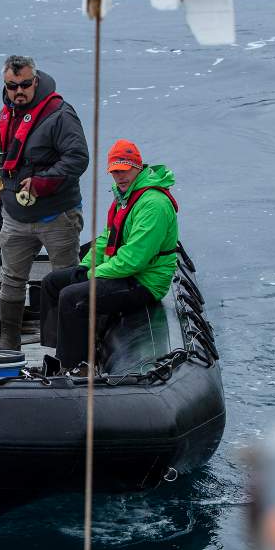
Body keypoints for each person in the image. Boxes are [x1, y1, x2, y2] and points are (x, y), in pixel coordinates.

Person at [40, 139, 179, 375]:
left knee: (72, 297)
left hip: (144, 282)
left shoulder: (153, 204)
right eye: (115, 171)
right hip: (124, 271)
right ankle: (60, 354)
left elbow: (133, 260)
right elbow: (106, 239)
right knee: (52, 283)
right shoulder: (124, 197)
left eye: (125, 170)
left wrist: (93, 274)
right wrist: (85, 267)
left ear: (138, 167)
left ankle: (77, 368)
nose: (120, 176)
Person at [0, 55, 89, 350]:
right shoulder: (6, 114)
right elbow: (2, 157)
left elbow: (78, 158)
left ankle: (65, 344)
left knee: (65, 281)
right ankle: (9, 340)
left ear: (36, 80)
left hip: (57, 216)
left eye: (25, 84)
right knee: (11, 279)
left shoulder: (60, 114)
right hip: (16, 216)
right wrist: (1, 187)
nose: (19, 91)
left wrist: (42, 183)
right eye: (12, 85)